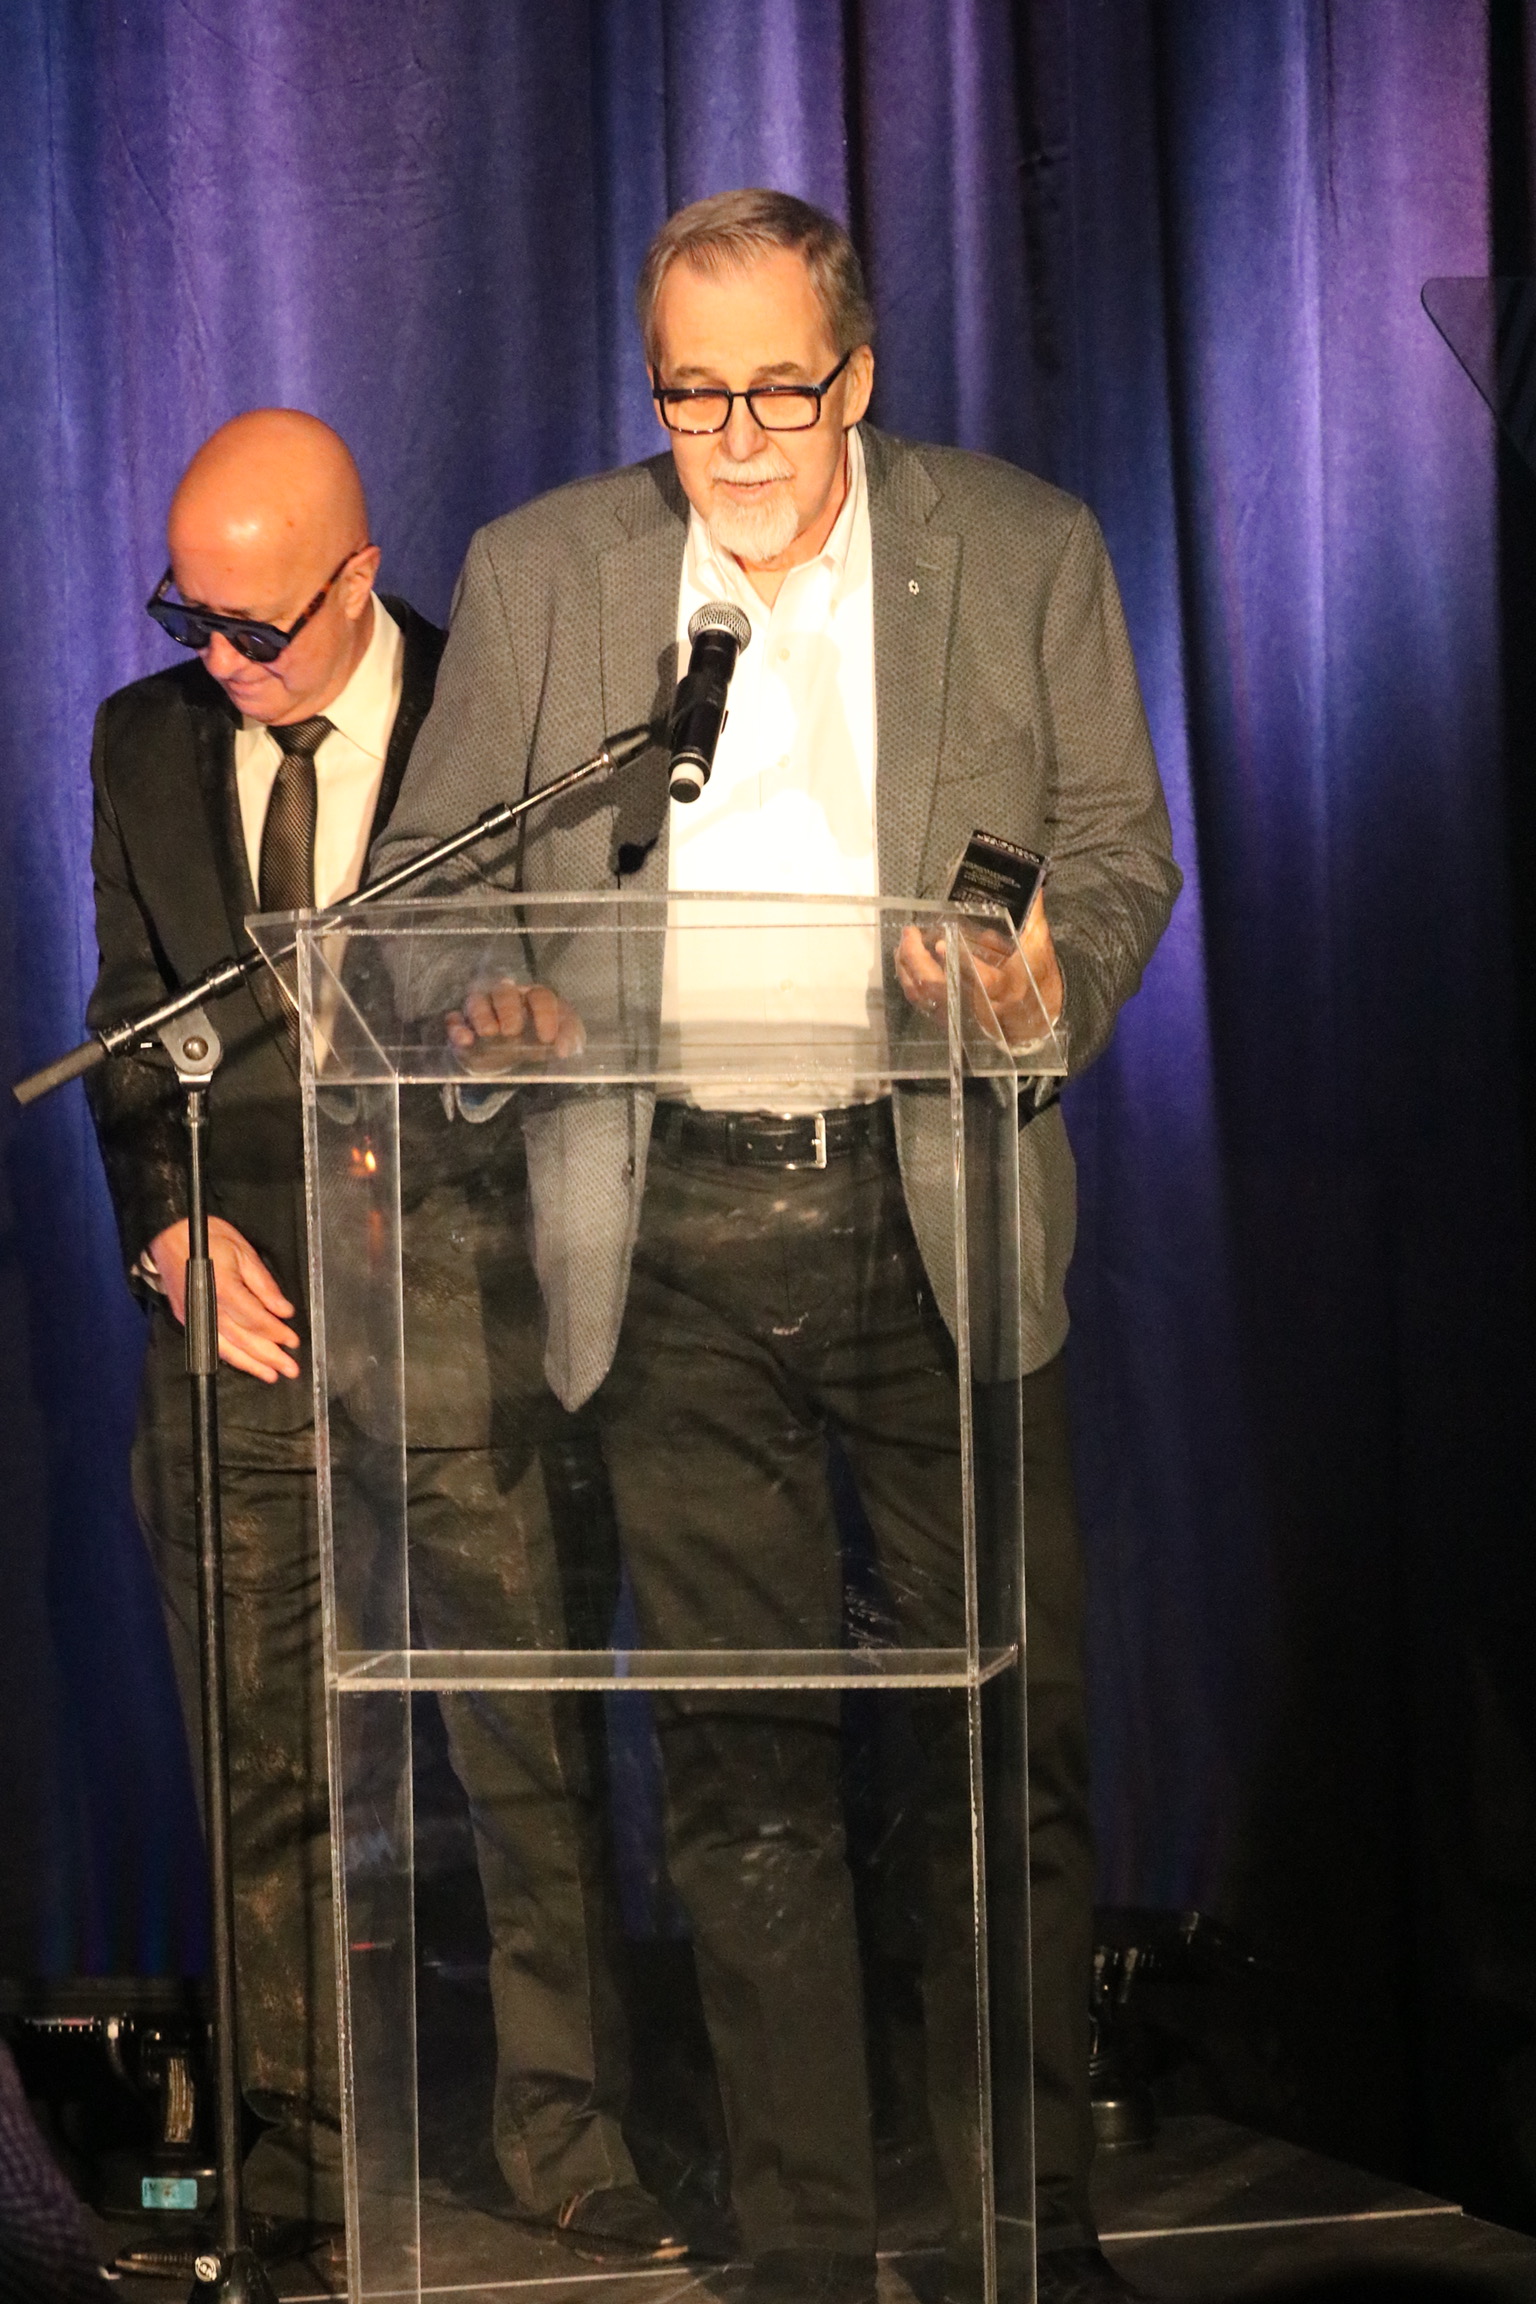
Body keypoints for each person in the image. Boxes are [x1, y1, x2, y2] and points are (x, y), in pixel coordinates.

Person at [373, 192, 1181, 2304]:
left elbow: (1118, 848)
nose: (733, 439)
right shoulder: (546, 573)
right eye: (691, 394)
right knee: (742, 1769)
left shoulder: (1021, 550)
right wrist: (489, 1003)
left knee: (1005, 1748)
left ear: (860, 376)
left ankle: (1023, 2230)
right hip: (671, 1234)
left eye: (776, 393)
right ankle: (812, 2247)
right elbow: (424, 888)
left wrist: (1032, 987)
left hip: (933, 1210)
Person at [84, 411, 679, 2268]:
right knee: (265, 1758)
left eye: (257, 625)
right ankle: (298, 2160)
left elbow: (590, 988)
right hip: (245, 1326)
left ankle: (565, 2132)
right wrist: (166, 1227)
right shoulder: (142, 740)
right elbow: (129, 1023)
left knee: (522, 1749)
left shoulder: (484, 718)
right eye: (189, 617)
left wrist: (529, 1043)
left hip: (459, 1304)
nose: (221, 661)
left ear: (357, 578)